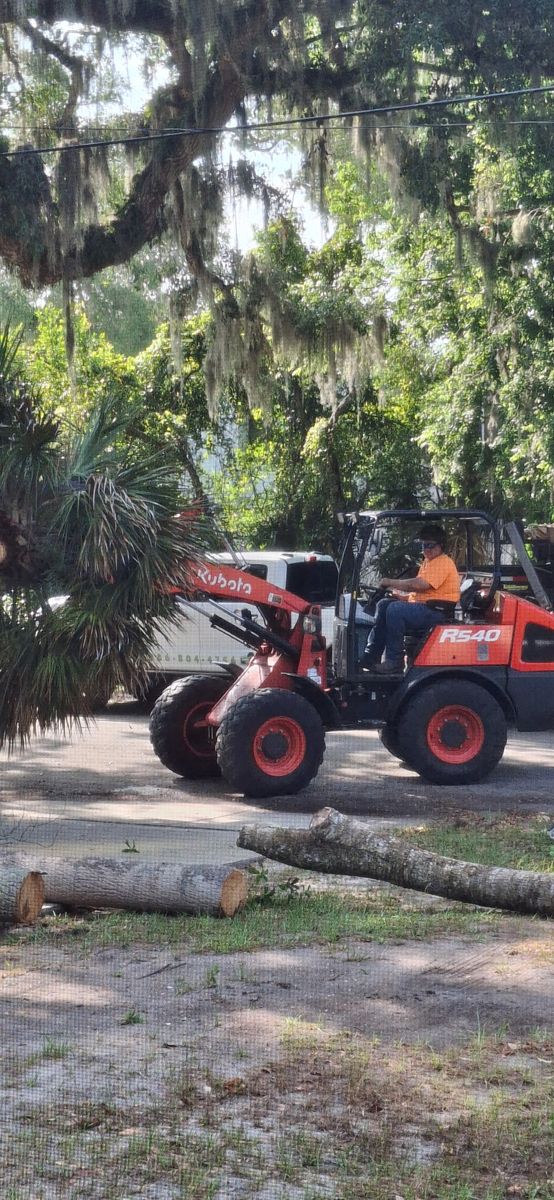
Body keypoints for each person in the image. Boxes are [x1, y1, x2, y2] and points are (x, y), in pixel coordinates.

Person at [360, 524, 461, 675]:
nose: (426, 549)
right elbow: (425, 594)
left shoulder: (442, 562)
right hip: (428, 607)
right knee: (384, 604)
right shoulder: (429, 562)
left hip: (437, 612)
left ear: (441, 545)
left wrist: (390, 582)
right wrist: (402, 597)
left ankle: (395, 662)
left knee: (395, 610)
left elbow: (420, 585)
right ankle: (371, 656)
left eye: (430, 545)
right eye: (423, 545)